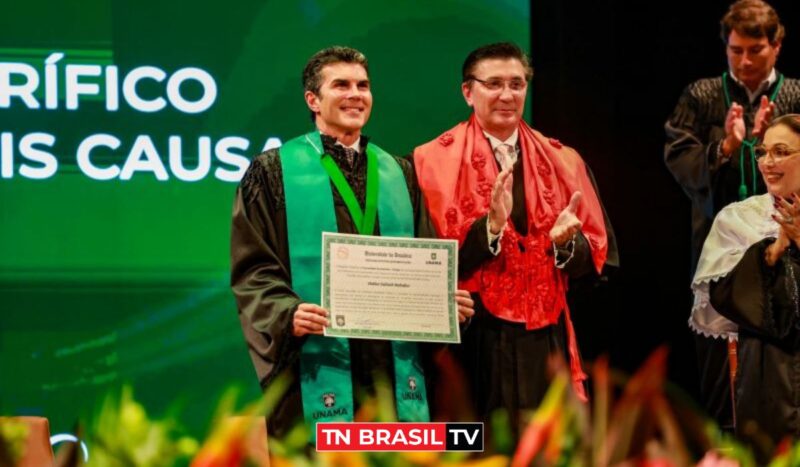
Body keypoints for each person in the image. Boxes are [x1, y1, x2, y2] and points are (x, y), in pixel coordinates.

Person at [229, 46, 474, 439]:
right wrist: (287, 313)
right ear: (313, 99)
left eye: (363, 85)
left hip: (391, 367)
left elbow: (421, 259)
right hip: (317, 358)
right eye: (340, 85)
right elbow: (253, 268)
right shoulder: (273, 171)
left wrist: (442, 302)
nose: (355, 94)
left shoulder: (398, 171)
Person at [413, 42, 617, 439]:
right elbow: (423, 261)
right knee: (475, 448)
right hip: (472, 340)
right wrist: (489, 229)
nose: (507, 95)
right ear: (468, 92)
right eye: (493, 84)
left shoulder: (564, 161)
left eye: (517, 84)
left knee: (547, 447)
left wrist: (564, 246)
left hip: (545, 339)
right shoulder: (428, 162)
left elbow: (599, 259)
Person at [665, 0, 800, 430]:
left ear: (776, 46)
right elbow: (679, 158)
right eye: (735, 50)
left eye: (755, 50)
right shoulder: (703, 95)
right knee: (729, 380)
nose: (744, 61)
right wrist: (727, 146)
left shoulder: (796, 96)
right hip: (728, 246)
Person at [693, 114, 800, 460]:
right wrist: (776, 248)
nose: (768, 162)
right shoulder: (740, 220)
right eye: (763, 152)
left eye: (781, 152)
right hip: (770, 378)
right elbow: (726, 295)